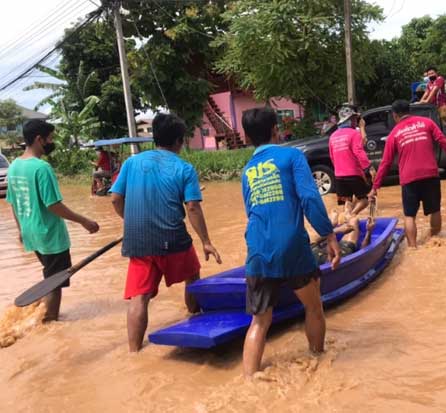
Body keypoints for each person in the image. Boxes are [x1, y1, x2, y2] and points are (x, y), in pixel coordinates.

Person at [240, 107, 340, 378]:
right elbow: (309, 199)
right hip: (293, 247)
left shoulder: (247, 171)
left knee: (259, 322)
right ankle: (317, 362)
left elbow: (252, 212)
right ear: (275, 130)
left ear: (247, 138)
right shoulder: (292, 156)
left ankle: (249, 381)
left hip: (258, 252)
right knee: (313, 307)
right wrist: (329, 234)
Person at [110, 113, 222, 352]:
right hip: (173, 238)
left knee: (139, 298)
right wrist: (206, 241)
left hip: (138, 241)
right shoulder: (184, 168)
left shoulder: (131, 163)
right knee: (193, 278)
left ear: (155, 138)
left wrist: (130, 223)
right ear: (179, 141)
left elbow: (116, 199)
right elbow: (192, 207)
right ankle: (194, 319)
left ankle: (134, 353)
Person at [6, 120, 100, 322]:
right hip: (49, 235)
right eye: (50, 138)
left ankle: (43, 314)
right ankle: (50, 322)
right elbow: (53, 205)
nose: (52, 142)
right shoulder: (42, 168)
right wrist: (84, 221)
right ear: (39, 139)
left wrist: (20, 230)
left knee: (50, 276)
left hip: (31, 234)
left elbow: (12, 203)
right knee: (55, 282)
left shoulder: (14, 166)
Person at [370, 100, 446, 248]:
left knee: (409, 216)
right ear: (409, 111)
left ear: (395, 115)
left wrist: (375, 187)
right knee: (435, 210)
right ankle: (435, 242)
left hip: (408, 179)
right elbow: (444, 141)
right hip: (430, 174)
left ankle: (413, 249)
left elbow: (386, 163)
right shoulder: (427, 123)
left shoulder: (394, 133)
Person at [329, 104, 374, 216]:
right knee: (364, 200)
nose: (355, 121)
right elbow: (359, 152)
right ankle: (351, 216)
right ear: (349, 120)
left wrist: (339, 170)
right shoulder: (354, 133)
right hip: (354, 174)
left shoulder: (332, 136)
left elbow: (332, 157)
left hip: (339, 175)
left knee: (348, 201)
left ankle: (346, 219)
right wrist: (369, 167)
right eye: (354, 119)